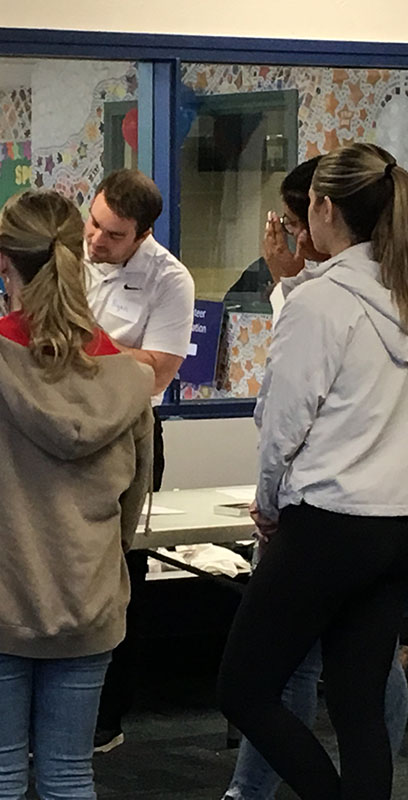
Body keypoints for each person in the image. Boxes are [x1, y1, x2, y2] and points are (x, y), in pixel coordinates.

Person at [0, 189, 155, 799]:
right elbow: (131, 507)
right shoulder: (128, 378)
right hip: (88, 602)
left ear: (1, 263)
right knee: (71, 775)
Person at [218, 142, 408, 799]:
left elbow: (282, 427)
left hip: (326, 523)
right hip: (395, 528)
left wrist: (269, 507)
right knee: (360, 711)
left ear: (323, 208)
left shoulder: (319, 301)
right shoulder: (401, 290)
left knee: (242, 688)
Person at [83, 168, 195, 751]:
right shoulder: (69, 253)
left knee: (120, 571)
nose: (97, 241)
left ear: (143, 234)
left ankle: (108, 715)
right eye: (94, 223)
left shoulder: (170, 278)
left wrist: (81, 344)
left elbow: (159, 370)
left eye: (114, 235)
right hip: (58, 428)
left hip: (127, 434)